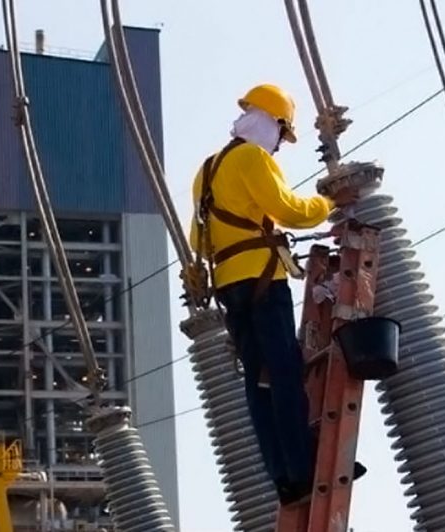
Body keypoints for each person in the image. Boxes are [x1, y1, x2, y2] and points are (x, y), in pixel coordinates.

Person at [188, 83, 364, 506]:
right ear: (274, 123)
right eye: (283, 136)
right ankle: (304, 468)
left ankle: (283, 476)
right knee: (285, 373)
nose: (281, 147)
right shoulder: (252, 157)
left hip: (231, 286)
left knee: (259, 382)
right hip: (264, 280)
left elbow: (199, 239)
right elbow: (288, 210)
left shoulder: (207, 169)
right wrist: (326, 201)